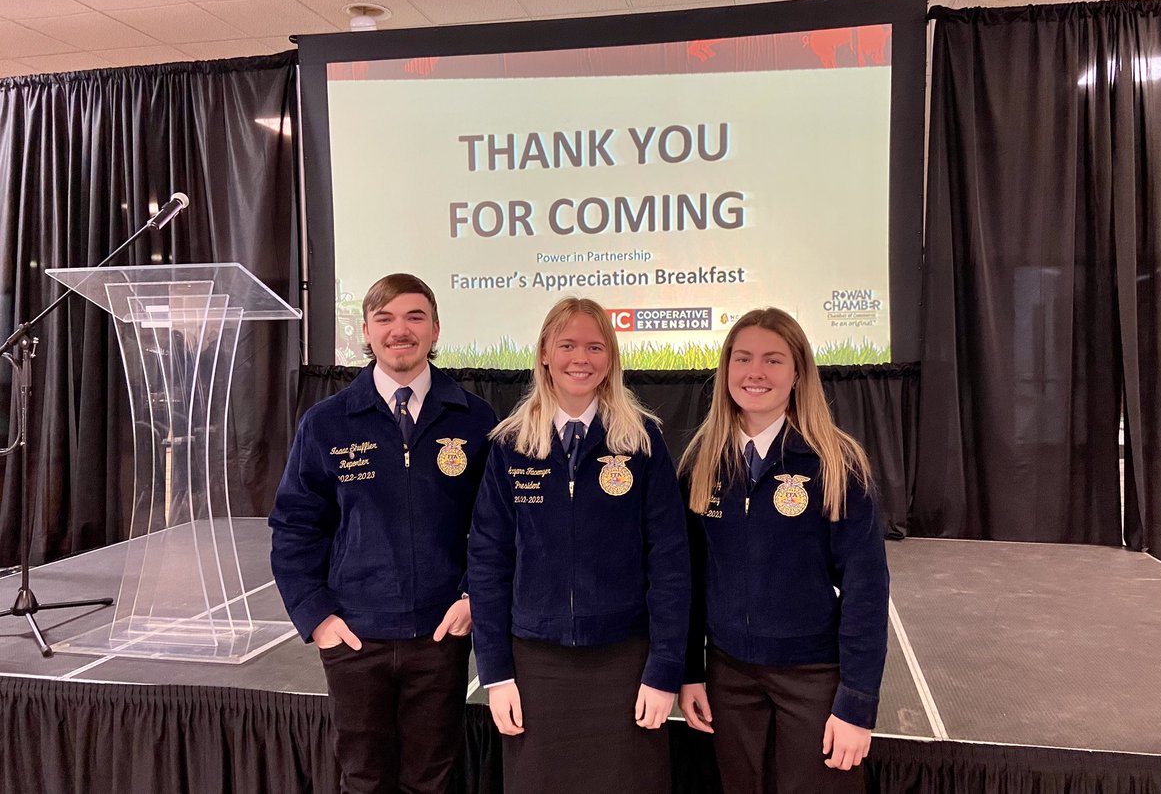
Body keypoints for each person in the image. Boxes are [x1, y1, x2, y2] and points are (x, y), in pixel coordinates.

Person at [269, 273, 497, 794]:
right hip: (354, 636)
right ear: (366, 334)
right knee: (364, 778)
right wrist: (317, 617)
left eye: (415, 317)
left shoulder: (473, 418)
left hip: (442, 635)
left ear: (436, 330)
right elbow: (295, 526)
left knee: (432, 778)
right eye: (386, 319)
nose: (401, 330)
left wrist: (472, 598)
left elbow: (494, 529)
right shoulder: (327, 423)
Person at [468, 297, 690, 794]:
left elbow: (671, 564)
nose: (580, 358)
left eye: (594, 346)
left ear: (609, 358)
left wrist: (664, 669)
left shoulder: (642, 443)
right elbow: (487, 562)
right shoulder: (510, 446)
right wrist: (496, 673)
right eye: (567, 345)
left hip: (625, 662)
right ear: (545, 352)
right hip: (535, 665)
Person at [677, 308, 889, 794]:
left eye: (773, 360)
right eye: (743, 358)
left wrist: (856, 703)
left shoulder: (837, 465)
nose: (756, 372)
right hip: (728, 676)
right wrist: (690, 671)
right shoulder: (701, 463)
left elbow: (866, 589)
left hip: (812, 677)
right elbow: (687, 577)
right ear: (726, 369)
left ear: (798, 374)